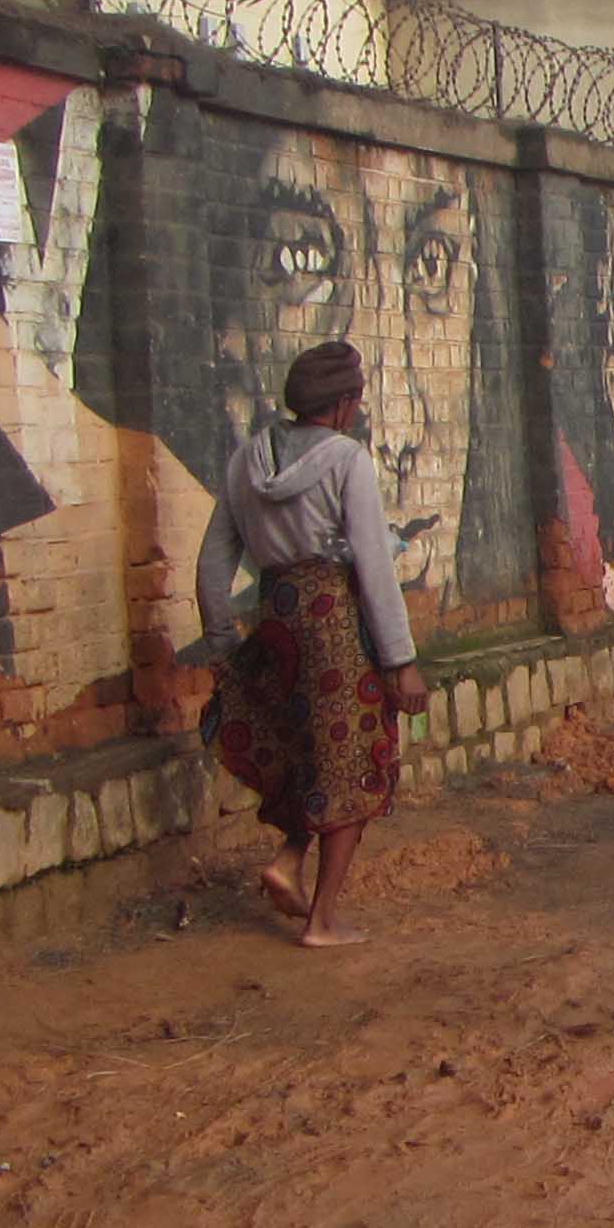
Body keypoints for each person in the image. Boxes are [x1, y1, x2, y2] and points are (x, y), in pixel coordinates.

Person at [198, 341, 433, 946]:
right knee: (355, 760)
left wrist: (224, 644)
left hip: (276, 617)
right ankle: (322, 920)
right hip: (331, 619)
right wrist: (400, 660)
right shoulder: (345, 460)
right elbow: (376, 566)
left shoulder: (245, 460)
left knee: (311, 751)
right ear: (345, 402)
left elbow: (212, 565)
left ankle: (288, 859)